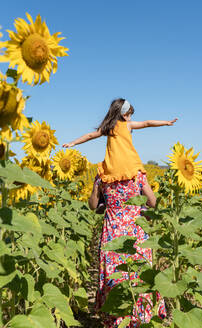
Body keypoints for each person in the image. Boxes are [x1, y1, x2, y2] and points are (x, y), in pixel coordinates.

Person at [63, 98, 177, 211]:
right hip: (131, 166)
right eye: (130, 115)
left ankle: (102, 201)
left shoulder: (108, 128)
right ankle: (142, 205)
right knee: (149, 195)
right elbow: (147, 123)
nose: (130, 118)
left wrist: (73, 143)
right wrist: (166, 123)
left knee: (102, 178)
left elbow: (90, 136)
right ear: (124, 115)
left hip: (112, 168)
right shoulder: (128, 125)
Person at [88, 170, 166, 327]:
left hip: (112, 234)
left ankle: (117, 321)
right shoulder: (137, 174)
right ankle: (141, 319)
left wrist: (99, 186)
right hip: (136, 233)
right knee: (140, 277)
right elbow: (153, 203)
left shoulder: (103, 175)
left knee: (114, 277)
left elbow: (93, 205)